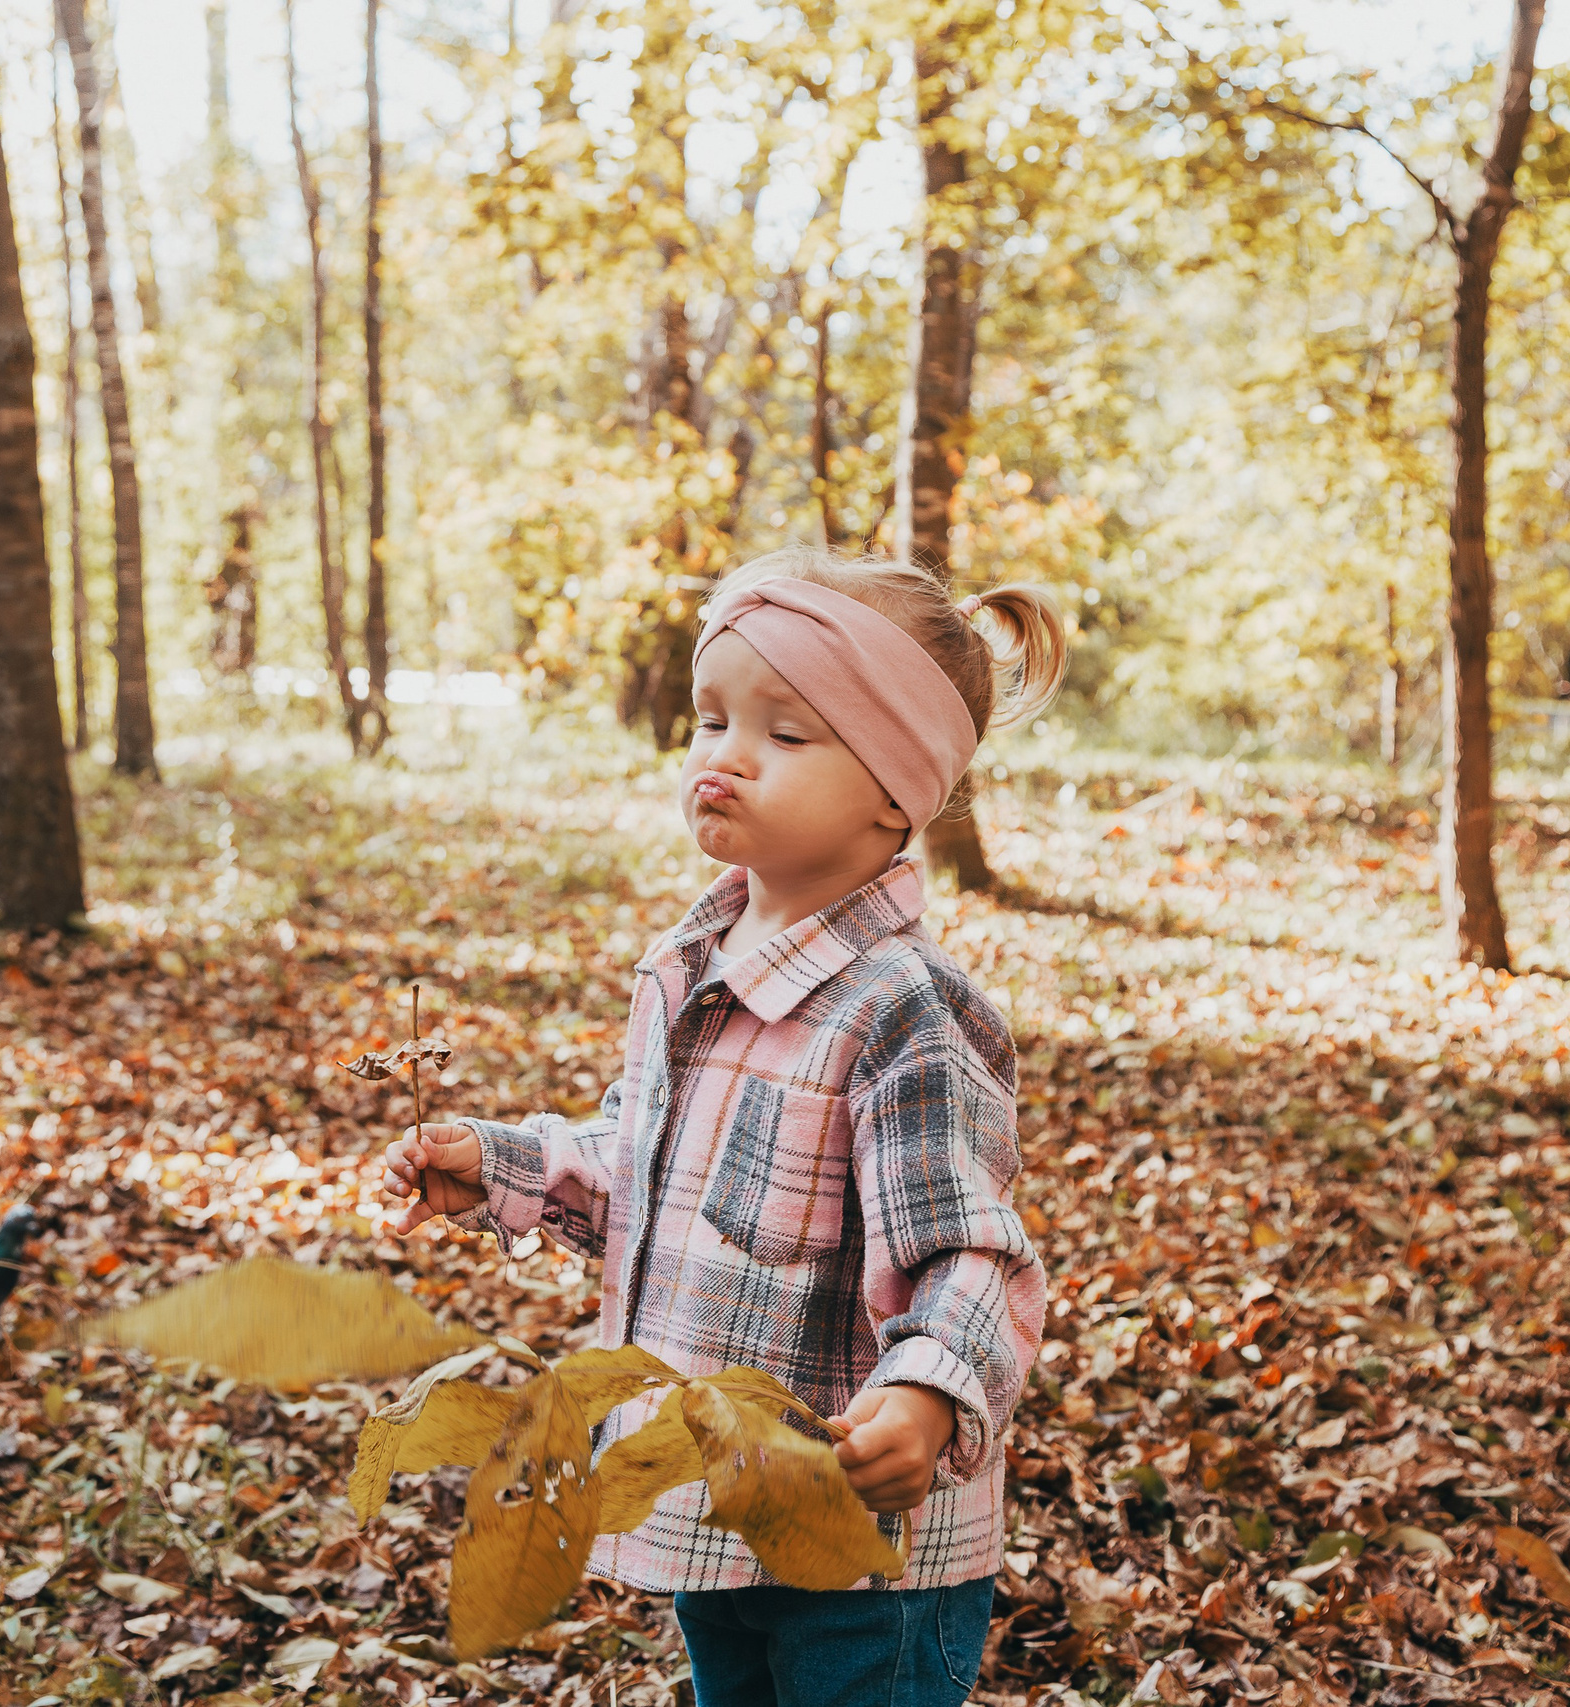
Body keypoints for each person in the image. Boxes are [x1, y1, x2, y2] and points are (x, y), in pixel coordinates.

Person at [385, 544, 1067, 1707]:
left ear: (894, 790)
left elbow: (970, 1251)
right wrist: (502, 1166)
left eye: (785, 733)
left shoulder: (900, 1009)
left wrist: (929, 1394)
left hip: (861, 1545)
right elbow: (649, 1169)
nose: (724, 756)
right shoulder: (690, 964)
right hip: (714, 1503)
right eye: (710, 721)